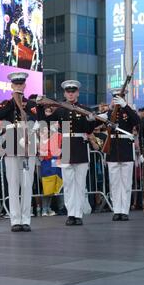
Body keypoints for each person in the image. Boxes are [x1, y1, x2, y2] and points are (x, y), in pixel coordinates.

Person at [37, 80, 105, 225]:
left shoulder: (84, 109)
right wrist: (40, 106)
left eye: (73, 91)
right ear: (65, 94)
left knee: (80, 185)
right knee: (68, 184)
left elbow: (88, 130)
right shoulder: (61, 110)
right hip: (66, 147)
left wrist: (91, 121)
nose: (71, 94)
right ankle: (71, 214)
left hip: (80, 146)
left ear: (77, 93)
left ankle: (78, 214)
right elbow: (44, 121)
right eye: (68, 92)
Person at [0, 72, 38, 232]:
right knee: (13, 183)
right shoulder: (7, 103)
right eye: (16, 85)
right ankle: (15, 220)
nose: (19, 87)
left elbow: (37, 118)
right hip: (12, 143)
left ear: (25, 86)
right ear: (12, 86)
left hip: (28, 144)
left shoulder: (31, 103)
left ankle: (26, 219)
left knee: (27, 184)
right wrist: (13, 102)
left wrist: (24, 106)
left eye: (21, 84)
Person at [105, 89, 140, 221]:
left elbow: (137, 121)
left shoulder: (128, 111)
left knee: (125, 183)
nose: (117, 99)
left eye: (119, 97)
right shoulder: (109, 113)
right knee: (114, 183)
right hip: (113, 150)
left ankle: (124, 210)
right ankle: (116, 210)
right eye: (115, 97)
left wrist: (125, 105)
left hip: (125, 149)